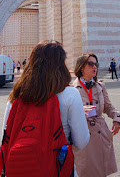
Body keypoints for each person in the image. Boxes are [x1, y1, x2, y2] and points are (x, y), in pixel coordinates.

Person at [1, 40, 90, 177]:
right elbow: (81, 141)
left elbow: (5, 138)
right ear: (61, 64)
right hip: (56, 170)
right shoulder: (70, 94)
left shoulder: (16, 97)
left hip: (19, 169)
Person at [72, 53, 120, 177]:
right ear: (81, 67)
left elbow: (108, 107)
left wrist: (117, 118)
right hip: (83, 138)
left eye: (96, 64)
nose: (94, 67)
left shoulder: (100, 86)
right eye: (90, 64)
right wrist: (79, 111)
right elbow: (64, 115)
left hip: (101, 136)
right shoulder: (71, 89)